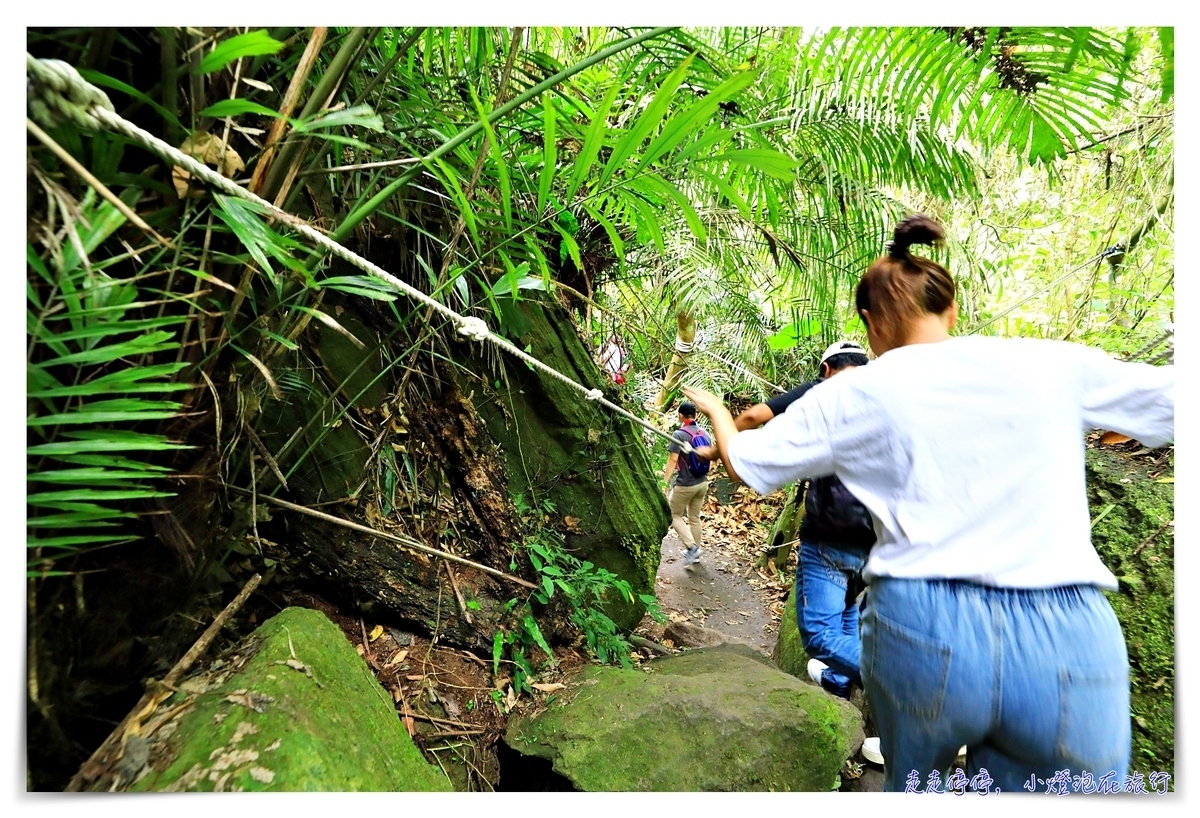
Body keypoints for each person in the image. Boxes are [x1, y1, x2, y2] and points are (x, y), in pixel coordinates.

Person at [682, 215, 1174, 792]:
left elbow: (748, 465)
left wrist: (717, 410)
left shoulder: (855, 391)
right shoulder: (1051, 363)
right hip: (1064, 637)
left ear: (870, 323)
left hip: (923, 629)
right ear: (953, 310)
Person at [733, 340, 884, 765]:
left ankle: (904, 685)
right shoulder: (888, 395)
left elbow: (754, 417)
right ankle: (838, 684)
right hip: (875, 547)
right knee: (848, 620)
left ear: (825, 367)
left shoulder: (824, 391)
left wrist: (722, 438)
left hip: (831, 536)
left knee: (819, 634)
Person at [664, 401, 711, 567]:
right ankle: (696, 554)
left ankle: (692, 548)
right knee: (694, 518)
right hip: (702, 483)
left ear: (680, 416)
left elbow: (673, 460)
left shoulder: (679, 434)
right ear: (696, 415)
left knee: (674, 514)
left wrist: (665, 481)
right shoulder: (705, 434)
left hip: (686, 484)